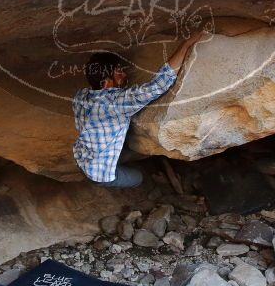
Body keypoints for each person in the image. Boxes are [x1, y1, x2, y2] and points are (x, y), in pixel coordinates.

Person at [72, 33, 207, 188]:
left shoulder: (81, 96)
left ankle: (129, 161)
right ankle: (152, 181)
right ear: (106, 83)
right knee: (139, 177)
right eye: (118, 72)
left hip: (82, 158)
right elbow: (159, 85)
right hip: (99, 174)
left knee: (134, 150)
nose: (124, 75)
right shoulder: (116, 103)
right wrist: (186, 45)